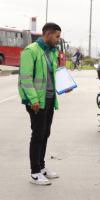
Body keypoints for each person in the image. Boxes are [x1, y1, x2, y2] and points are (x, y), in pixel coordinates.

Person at [18, 22, 63, 185]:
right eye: (57, 37)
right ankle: (35, 172)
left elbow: (51, 75)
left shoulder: (51, 52)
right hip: (36, 101)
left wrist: (64, 86)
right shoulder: (31, 51)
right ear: (48, 34)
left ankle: (42, 167)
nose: (58, 40)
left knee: (45, 133)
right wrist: (33, 100)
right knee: (37, 135)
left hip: (49, 99)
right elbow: (26, 78)